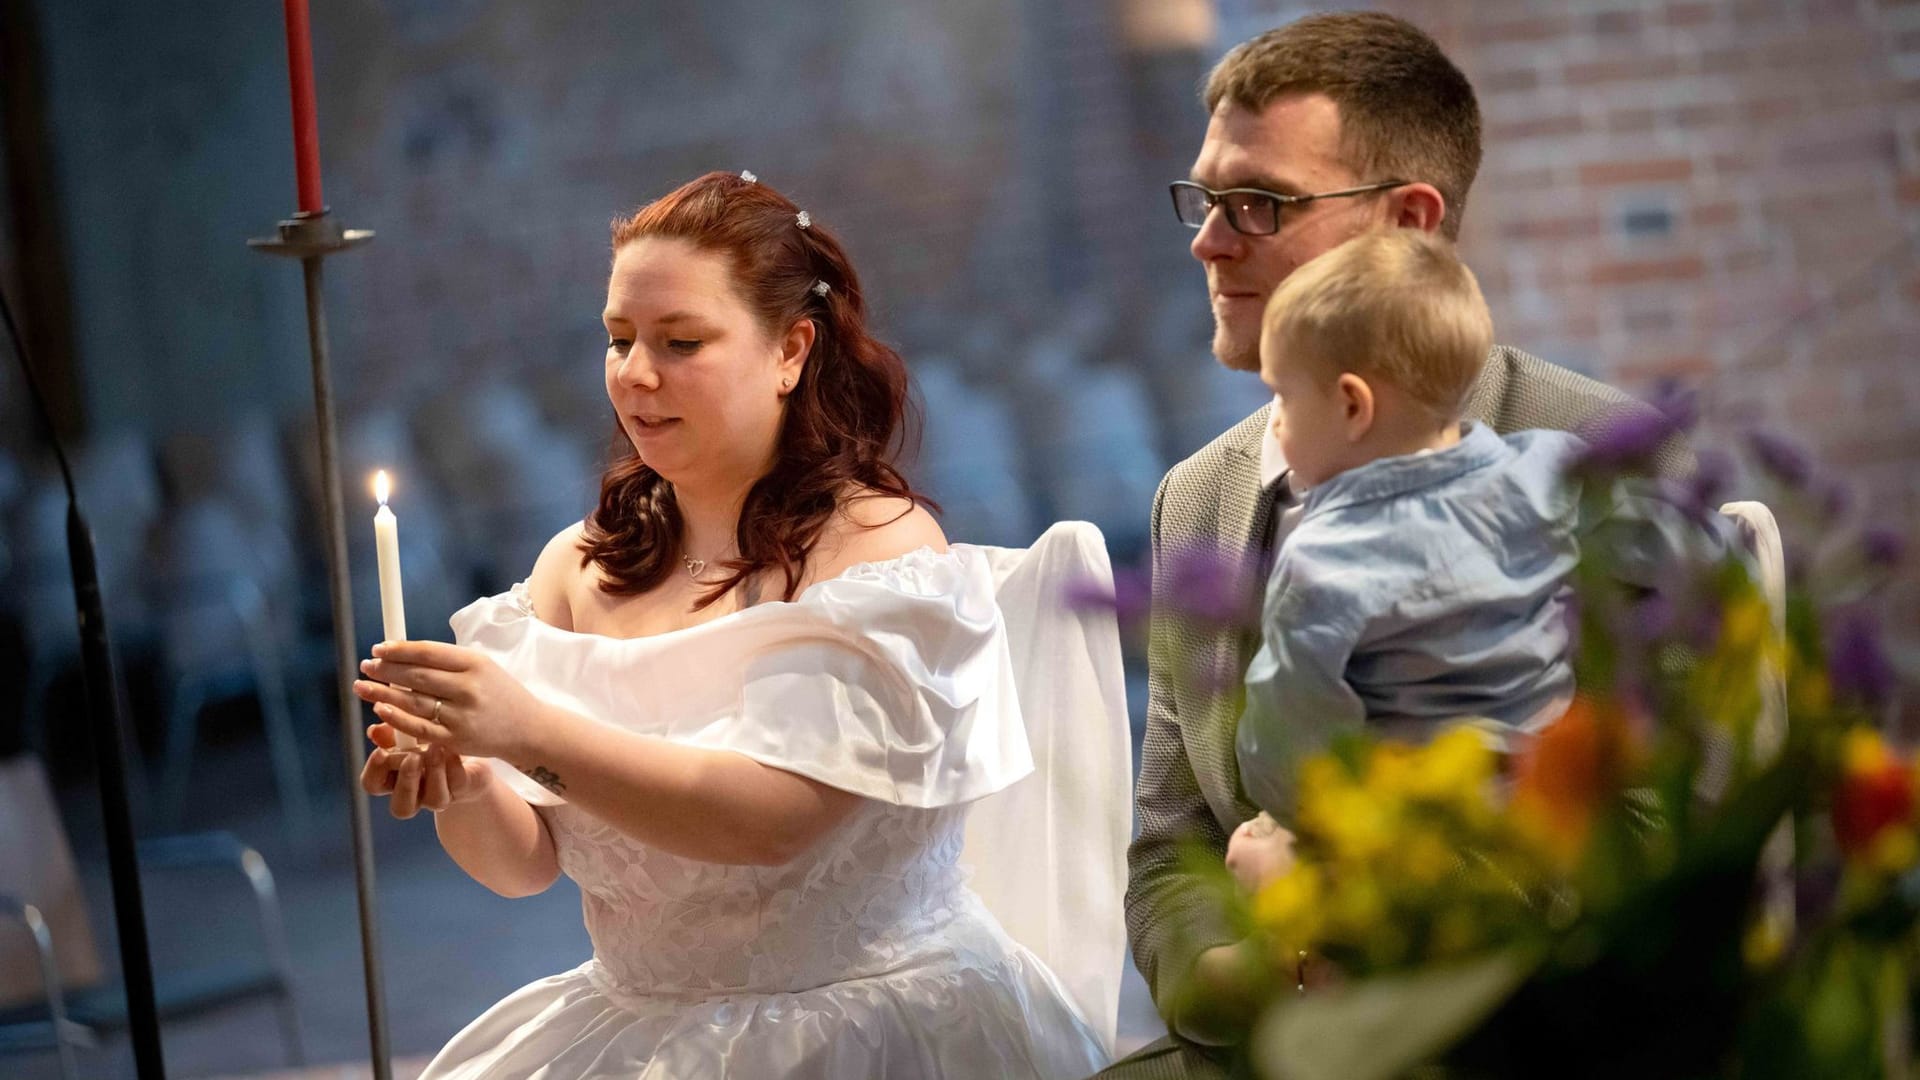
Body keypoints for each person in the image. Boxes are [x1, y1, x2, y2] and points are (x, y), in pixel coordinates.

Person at [352, 171, 1114, 1079]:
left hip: (869, 1029)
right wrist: (469, 778)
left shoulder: (876, 548)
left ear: (791, 350)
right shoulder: (576, 566)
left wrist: (525, 726)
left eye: (681, 342)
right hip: (639, 1024)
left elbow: (773, 822)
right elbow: (526, 866)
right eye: (618, 339)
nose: (636, 375)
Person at [1113, 13, 1689, 1077]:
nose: (1207, 238)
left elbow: (1664, 839)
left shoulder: (1598, 462)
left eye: (1259, 202)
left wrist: (1365, 950)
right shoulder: (1195, 499)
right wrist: (1266, 977)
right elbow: (1169, 854)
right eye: (1204, 198)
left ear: (1410, 224)